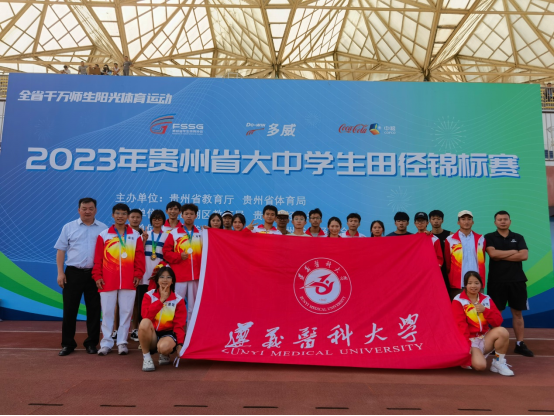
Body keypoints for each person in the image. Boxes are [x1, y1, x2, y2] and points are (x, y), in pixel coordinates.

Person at [55, 198, 108, 357]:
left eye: (91, 208)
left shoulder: (103, 229)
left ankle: (91, 343)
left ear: (95, 210)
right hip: (73, 273)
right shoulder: (69, 227)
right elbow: (61, 250)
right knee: (69, 310)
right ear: (79, 210)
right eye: (84, 208)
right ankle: (67, 344)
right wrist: (60, 272)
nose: (87, 211)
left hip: (95, 274)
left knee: (94, 310)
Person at [93, 204, 145, 356]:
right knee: (107, 312)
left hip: (129, 280)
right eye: (117, 213)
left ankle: (122, 342)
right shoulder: (104, 235)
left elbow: (139, 257)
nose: (120, 216)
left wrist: (138, 275)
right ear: (112, 215)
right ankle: (106, 343)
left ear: (127, 216)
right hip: (108, 280)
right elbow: (98, 258)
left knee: (126, 312)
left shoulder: (135, 235)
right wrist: (97, 276)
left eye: (123, 213)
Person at [485, 211, 534, 358]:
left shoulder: (518, 237)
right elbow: (493, 255)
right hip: (496, 281)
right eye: (499, 219)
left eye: (505, 219)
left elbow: (524, 255)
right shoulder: (489, 237)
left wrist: (502, 255)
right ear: (495, 222)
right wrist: (513, 251)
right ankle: (495, 344)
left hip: (517, 281)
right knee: (496, 314)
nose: (502, 221)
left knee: (517, 313)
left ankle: (520, 343)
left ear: (510, 221)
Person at [452, 272, 514, 376]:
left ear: (481, 284)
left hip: (484, 338)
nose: (473, 286)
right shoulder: (458, 300)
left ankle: (498, 362)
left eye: (476, 283)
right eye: (470, 283)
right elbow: (460, 326)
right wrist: (466, 345)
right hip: (470, 341)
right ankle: (469, 357)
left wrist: (485, 310)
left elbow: (497, 321)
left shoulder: (486, 299)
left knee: (502, 331)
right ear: (465, 285)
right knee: (480, 366)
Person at [140, 267, 186, 372]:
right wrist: (161, 300)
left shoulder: (178, 300)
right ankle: (147, 358)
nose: (165, 280)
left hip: (167, 334)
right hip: (152, 334)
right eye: (162, 277)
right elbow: (146, 316)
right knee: (144, 322)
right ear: (157, 280)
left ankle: (164, 353)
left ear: (172, 281)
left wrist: (180, 344)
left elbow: (179, 325)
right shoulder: (149, 295)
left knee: (164, 347)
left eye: (168, 277)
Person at [163, 204, 202, 325]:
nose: (189, 216)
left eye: (191, 214)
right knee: (175, 305)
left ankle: (191, 331)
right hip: (179, 276)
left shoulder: (201, 233)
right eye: (186, 214)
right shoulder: (174, 233)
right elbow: (166, 253)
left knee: (193, 307)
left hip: (195, 276)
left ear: (196, 216)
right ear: (182, 215)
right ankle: (175, 331)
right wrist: (179, 256)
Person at [130, 210, 166, 343]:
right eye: (154, 219)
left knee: (158, 303)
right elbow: (137, 253)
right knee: (142, 305)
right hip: (144, 275)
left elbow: (167, 255)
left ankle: (158, 331)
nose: (156, 221)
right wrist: (144, 241)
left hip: (158, 275)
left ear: (163, 221)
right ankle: (142, 332)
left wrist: (160, 271)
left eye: (159, 219)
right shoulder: (144, 235)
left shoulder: (167, 236)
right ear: (151, 221)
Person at [445, 210, 486, 300]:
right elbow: (448, 263)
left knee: (477, 307)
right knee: (458, 307)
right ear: (458, 222)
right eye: (463, 219)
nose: (466, 222)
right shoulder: (450, 239)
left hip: (476, 283)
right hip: (458, 283)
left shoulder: (480, 239)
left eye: (469, 219)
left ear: (472, 222)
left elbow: (482, 259)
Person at [430, 210, 453, 292]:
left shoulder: (450, 235)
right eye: (433, 219)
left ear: (442, 220)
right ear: (429, 221)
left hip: (448, 270)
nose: (436, 221)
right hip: (433, 270)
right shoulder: (427, 236)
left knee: (448, 293)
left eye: (438, 219)